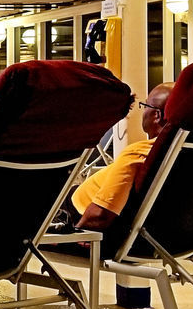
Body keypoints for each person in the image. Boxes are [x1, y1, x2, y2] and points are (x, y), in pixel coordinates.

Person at [68, 82, 174, 231]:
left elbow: (99, 216)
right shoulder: (187, 154)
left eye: (145, 106)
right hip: (162, 233)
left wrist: (73, 238)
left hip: (80, 214)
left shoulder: (140, 153)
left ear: (157, 115)